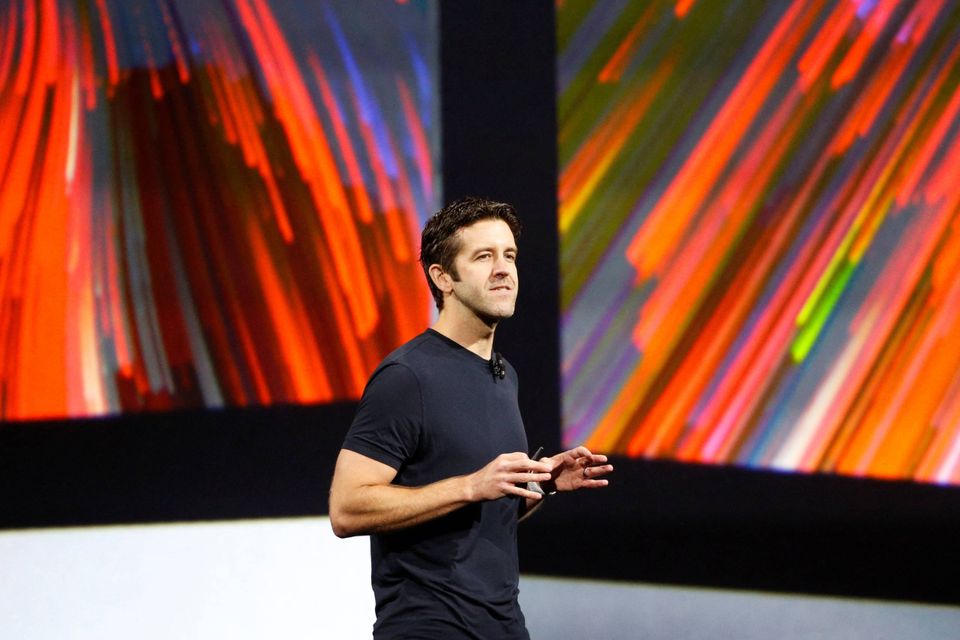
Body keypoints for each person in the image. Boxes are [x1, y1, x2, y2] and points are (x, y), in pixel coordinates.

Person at [328, 196, 613, 639]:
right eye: (483, 257)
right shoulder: (407, 377)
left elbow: (483, 514)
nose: (503, 270)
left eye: (509, 256)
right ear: (443, 277)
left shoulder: (504, 375)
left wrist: (542, 483)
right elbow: (346, 508)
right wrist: (470, 485)